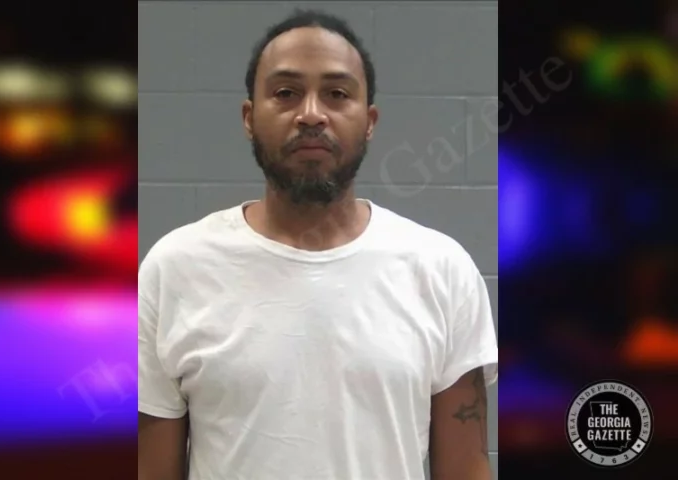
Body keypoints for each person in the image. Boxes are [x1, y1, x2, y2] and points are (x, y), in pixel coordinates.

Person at [138, 8, 497, 480]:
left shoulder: (441, 270)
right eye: (286, 93)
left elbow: (466, 469)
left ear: (369, 121)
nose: (311, 114)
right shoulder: (175, 268)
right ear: (249, 118)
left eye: (337, 94)